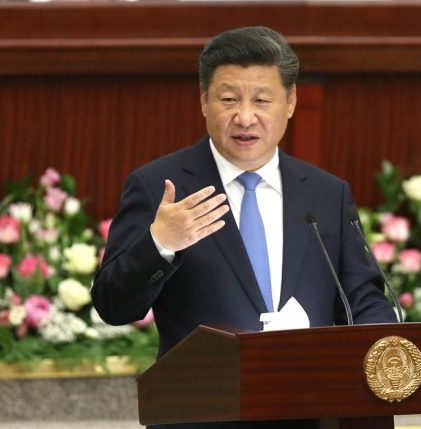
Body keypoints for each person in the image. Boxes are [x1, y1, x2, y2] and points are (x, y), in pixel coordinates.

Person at [92, 26, 397, 429]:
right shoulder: (160, 187)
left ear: (290, 103)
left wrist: (385, 350)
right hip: (203, 415)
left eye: (262, 100)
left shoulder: (326, 193)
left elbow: (364, 300)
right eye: (229, 99)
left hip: (313, 413)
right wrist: (160, 243)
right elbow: (114, 306)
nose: (245, 117)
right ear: (204, 101)